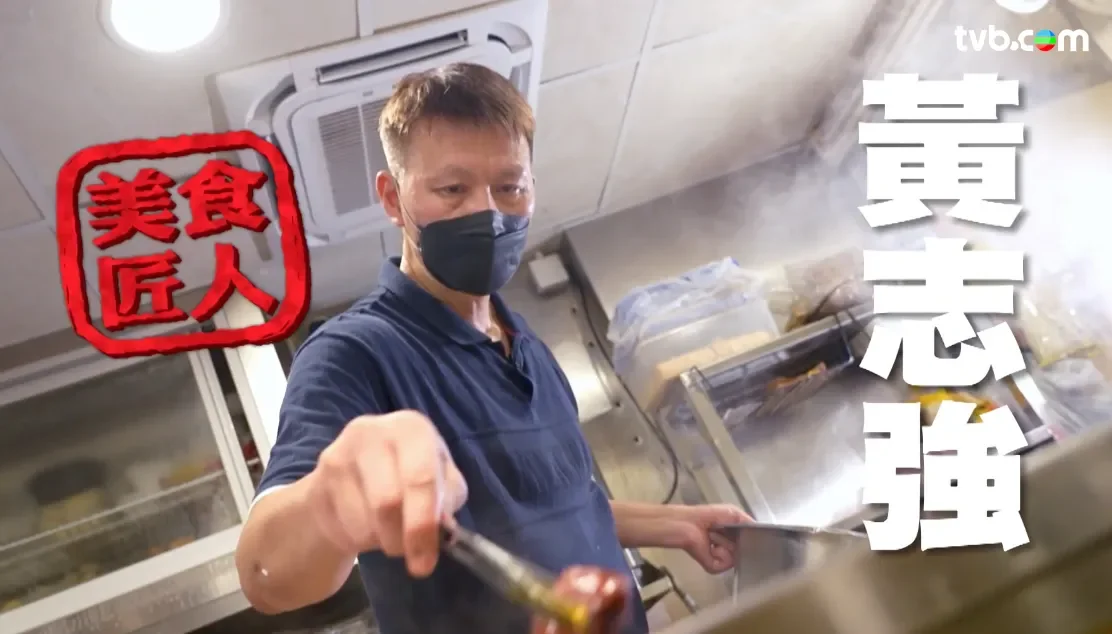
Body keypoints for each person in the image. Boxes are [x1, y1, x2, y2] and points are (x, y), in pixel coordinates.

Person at [235, 62, 748, 634]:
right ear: (391, 197)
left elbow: (564, 506)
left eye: (509, 187)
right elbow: (263, 574)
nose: (487, 213)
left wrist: (677, 525)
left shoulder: (534, 353)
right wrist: (332, 501)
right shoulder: (354, 352)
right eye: (451, 189)